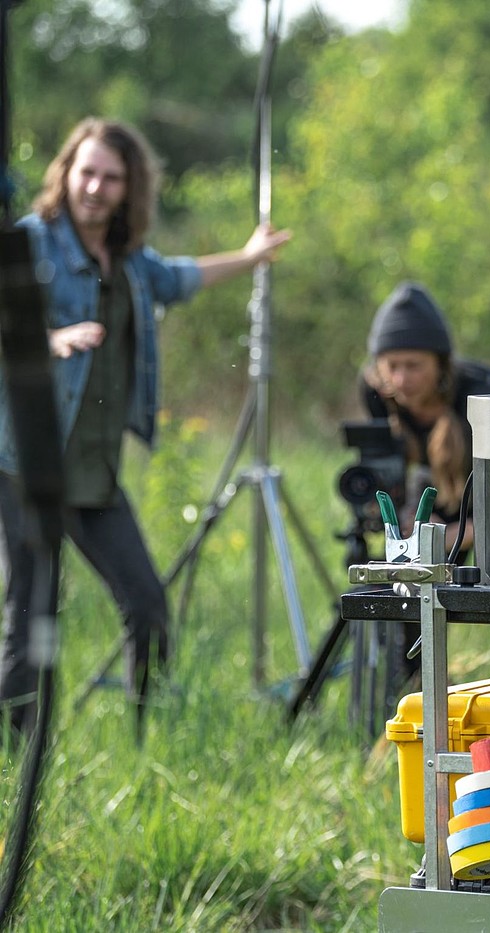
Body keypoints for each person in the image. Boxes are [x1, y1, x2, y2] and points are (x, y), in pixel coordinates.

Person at [0, 117, 291, 737]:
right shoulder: (30, 242)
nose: (96, 187)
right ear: (66, 173)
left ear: (129, 188)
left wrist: (249, 257)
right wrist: (47, 341)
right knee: (31, 622)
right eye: (87, 172)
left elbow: (179, 278)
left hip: (95, 474)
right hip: (27, 466)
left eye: (111, 177)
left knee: (148, 604)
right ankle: (15, 767)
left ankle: (146, 734)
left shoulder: (130, 261)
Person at [359, 280, 490, 677]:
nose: (400, 379)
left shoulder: (485, 392)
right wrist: (411, 529)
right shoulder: (375, 393)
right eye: (391, 366)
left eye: (414, 366)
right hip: (432, 495)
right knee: (407, 591)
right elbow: (390, 470)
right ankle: (413, 697)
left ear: (440, 364)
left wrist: (452, 535)